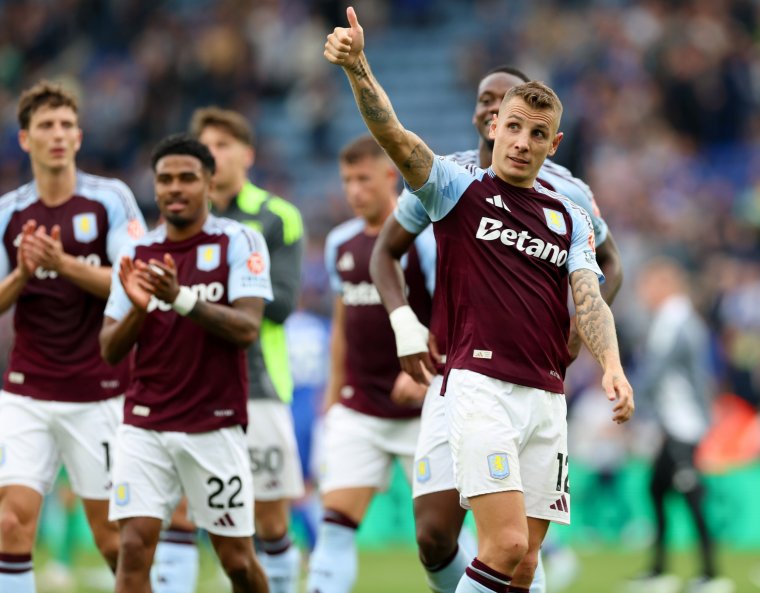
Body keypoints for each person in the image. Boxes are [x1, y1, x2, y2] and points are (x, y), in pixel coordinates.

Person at [324, 9, 635, 593]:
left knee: (524, 561)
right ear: (493, 125)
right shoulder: (455, 185)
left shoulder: (570, 211)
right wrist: (358, 66)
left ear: (554, 143)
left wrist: (611, 365)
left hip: (547, 395)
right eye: (512, 126)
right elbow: (392, 133)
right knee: (502, 543)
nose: (521, 142)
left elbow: (591, 297)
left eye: (536, 133)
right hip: (478, 385)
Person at [134, 107, 305, 593]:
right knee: (183, 513)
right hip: (188, 383)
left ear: (246, 155)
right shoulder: (181, 220)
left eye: (224, 146)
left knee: (269, 519)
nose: (217, 156)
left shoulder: (275, 217)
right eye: (207, 147)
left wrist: (200, 292)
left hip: (259, 383)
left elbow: (283, 304)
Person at [99, 133, 273, 593]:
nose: (175, 187)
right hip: (145, 424)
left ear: (210, 183)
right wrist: (139, 307)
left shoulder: (241, 240)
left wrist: (178, 298)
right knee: (133, 548)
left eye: (187, 178)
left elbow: (247, 329)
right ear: (154, 187)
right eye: (165, 179)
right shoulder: (137, 254)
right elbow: (110, 349)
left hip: (213, 424)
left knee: (237, 561)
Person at [0, 80, 146, 593]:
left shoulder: (112, 199)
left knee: (112, 539)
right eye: (46, 126)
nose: (57, 134)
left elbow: (133, 284)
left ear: (79, 137)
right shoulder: (9, 212)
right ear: (25, 139)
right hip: (26, 392)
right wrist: (22, 273)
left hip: (99, 391)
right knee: (11, 523)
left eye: (66, 125)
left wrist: (59, 264)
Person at [306, 135, 436, 593]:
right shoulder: (340, 242)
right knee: (336, 522)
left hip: (424, 409)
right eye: (347, 181)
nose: (354, 190)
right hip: (358, 406)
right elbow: (343, 325)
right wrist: (332, 395)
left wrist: (427, 375)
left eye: (363, 179)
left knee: (439, 538)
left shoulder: (424, 237)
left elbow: (452, 311)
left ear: (389, 177)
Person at [629, 257, 733, 593]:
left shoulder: (672, 319)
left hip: (682, 424)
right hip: (678, 422)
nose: (643, 292)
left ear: (665, 284)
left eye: (648, 285)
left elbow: (656, 371)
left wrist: (631, 402)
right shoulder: (681, 318)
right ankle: (661, 571)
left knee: (690, 494)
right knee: (657, 489)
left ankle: (711, 575)